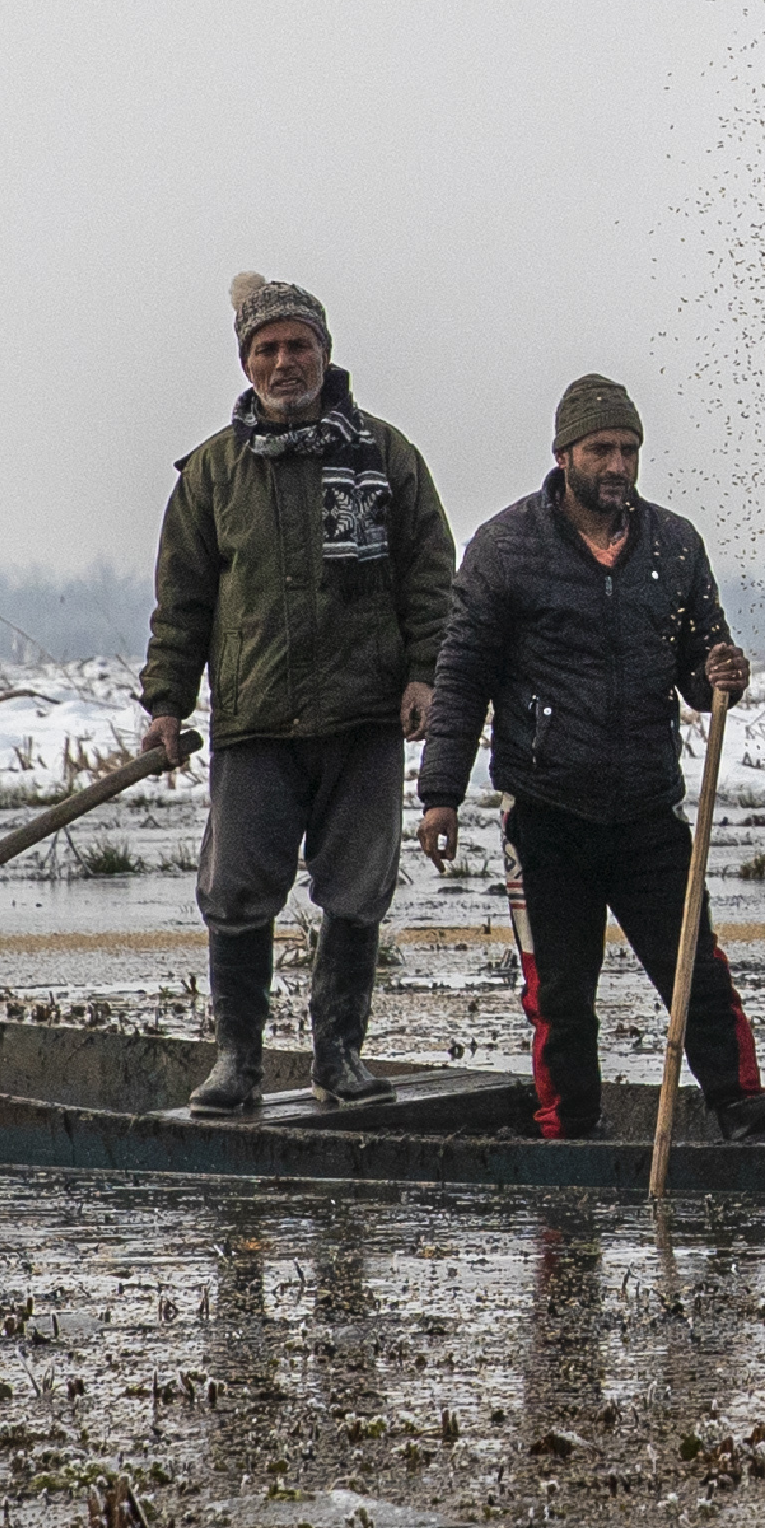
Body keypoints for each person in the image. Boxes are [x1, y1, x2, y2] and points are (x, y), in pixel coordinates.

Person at [414, 374, 765, 1143]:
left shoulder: (674, 547)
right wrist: (439, 794)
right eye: (602, 449)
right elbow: (463, 673)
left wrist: (722, 677)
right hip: (546, 814)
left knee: (695, 975)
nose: (618, 464)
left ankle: (745, 1117)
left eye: (630, 450)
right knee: (560, 994)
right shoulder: (507, 547)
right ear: (564, 454)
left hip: (648, 809)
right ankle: (569, 1133)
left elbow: (699, 670)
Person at [133, 274, 454, 1117]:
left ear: (326, 353)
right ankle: (237, 1062)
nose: (285, 362)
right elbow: (184, 603)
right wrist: (166, 705)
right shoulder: (210, 474)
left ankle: (337, 1058)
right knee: (237, 892)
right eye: (267, 349)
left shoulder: (385, 456)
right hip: (256, 722)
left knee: (356, 891)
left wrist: (426, 672)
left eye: (298, 345)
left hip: (364, 718)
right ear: (245, 362)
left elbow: (431, 577)